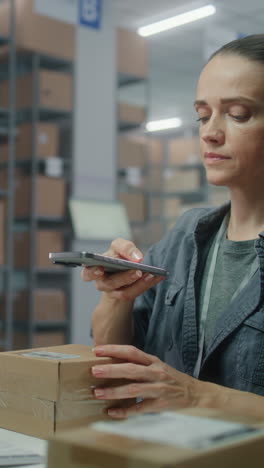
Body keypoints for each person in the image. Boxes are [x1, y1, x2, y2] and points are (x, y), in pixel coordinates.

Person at [81, 34, 264, 420]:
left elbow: (188, 394)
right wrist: (119, 296)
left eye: (238, 114)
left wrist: (197, 397)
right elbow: (115, 366)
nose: (210, 132)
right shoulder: (187, 234)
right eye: (202, 115)